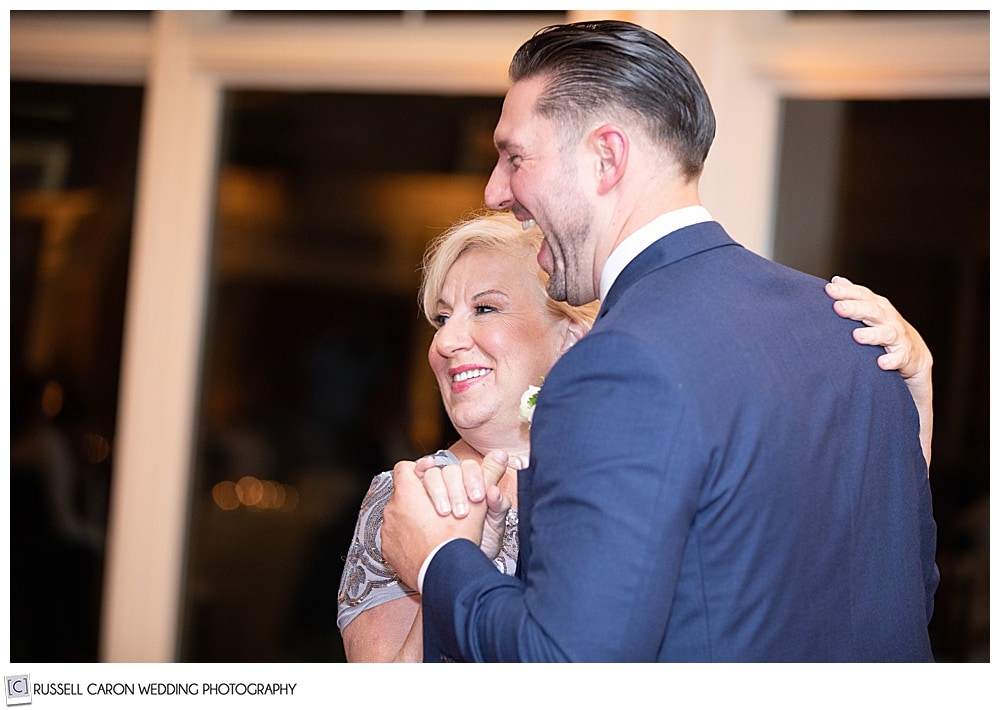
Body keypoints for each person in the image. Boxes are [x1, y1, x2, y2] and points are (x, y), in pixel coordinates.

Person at [380, 20, 938, 662]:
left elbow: (569, 665)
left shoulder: (619, 362)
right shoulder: (851, 326)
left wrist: (439, 562)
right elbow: (901, 599)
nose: (494, 191)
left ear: (607, 157)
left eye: (514, 158)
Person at [338, 209, 934, 662]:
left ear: (571, 337)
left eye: (486, 309)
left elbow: (868, 552)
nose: (446, 341)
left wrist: (917, 396)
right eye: (442, 318)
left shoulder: (647, 462)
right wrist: (449, 560)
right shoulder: (409, 498)